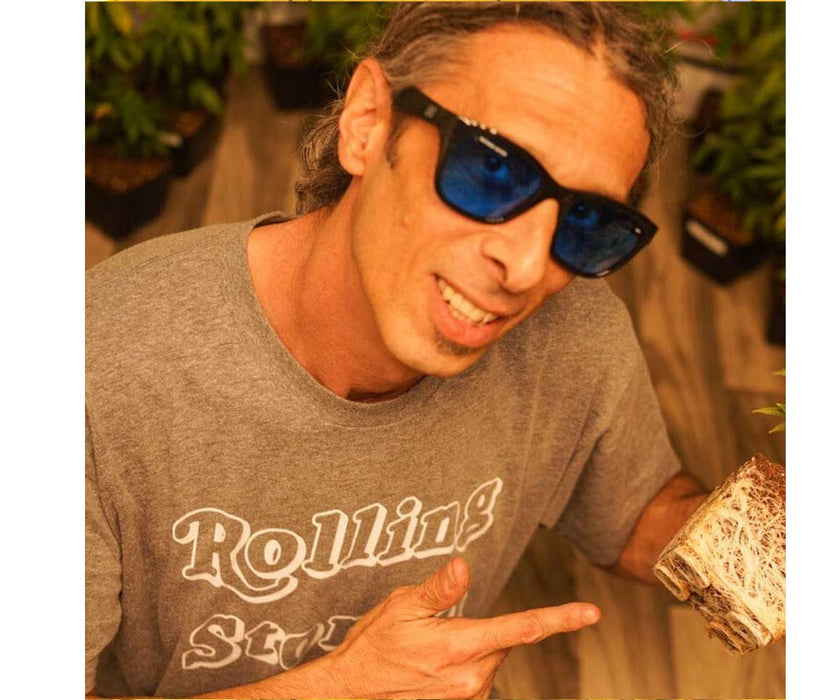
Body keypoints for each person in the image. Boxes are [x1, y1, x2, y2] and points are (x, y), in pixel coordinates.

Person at [86, 3, 709, 698]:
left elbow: (636, 512)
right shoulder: (98, 365)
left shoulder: (573, 338)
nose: (529, 265)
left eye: (588, 221)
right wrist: (340, 687)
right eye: (494, 171)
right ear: (367, 123)